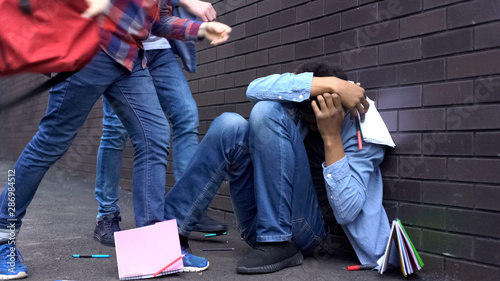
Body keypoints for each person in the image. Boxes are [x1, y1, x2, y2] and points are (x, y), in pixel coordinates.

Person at [0, 0, 231, 278]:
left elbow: (156, 21)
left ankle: (153, 249)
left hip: (129, 58)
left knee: (154, 137)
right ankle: (3, 236)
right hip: (88, 51)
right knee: (50, 144)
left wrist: (200, 28)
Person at [161, 61, 395, 274]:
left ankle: (277, 241)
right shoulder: (303, 111)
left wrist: (331, 137)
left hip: (310, 232)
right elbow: (254, 89)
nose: (310, 128)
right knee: (228, 124)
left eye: (314, 122)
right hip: (258, 226)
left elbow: (348, 211)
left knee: (266, 112)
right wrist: (328, 84)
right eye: (306, 120)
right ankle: (167, 239)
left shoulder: (362, 129)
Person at [93, 0, 226, 250]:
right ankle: (107, 214)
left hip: (159, 46)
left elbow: (161, 14)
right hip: (121, 45)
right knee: (115, 129)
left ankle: (187, 207)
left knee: (186, 114)